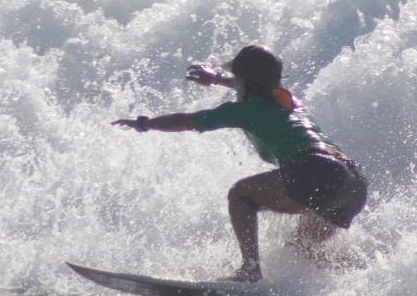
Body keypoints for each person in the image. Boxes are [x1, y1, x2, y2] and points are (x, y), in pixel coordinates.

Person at [114, 45, 367, 282]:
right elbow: (254, 84)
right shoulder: (290, 102)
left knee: (241, 195)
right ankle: (360, 278)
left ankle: (249, 270)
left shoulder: (246, 109)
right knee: (300, 247)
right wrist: (215, 80)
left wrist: (142, 124)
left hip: (317, 170)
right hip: (353, 182)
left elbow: (183, 120)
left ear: (247, 82)